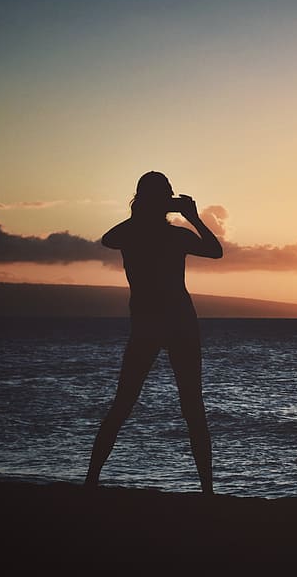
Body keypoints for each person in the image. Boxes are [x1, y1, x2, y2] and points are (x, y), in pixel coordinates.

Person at [85, 171, 223, 494]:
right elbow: (214, 250)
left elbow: (111, 238)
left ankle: (91, 481)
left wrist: (145, 215)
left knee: (132, 403)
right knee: (186, 407)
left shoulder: (136, 235)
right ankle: (207, 492)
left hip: (157, 323)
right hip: (171, 323)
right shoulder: (172, 236)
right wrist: (193, 218)